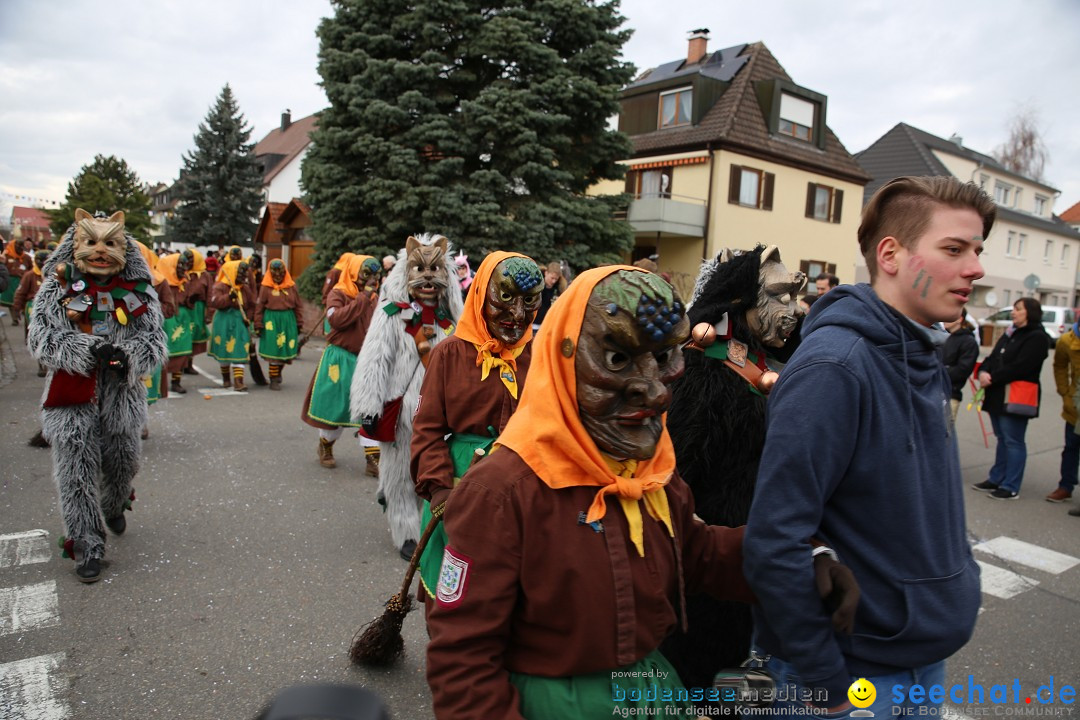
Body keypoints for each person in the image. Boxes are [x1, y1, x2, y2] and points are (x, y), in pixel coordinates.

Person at [424, 266, 856, 719]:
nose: (655, 391)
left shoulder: (650, 475)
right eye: (617, 359)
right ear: (562, 357)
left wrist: (802, 559)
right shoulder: (501, 493)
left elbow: (698, 552)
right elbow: (464, 662)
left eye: (666, 356)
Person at [744, 176, 994, 716]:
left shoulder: (922, 350)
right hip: (853, 679)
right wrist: (826, 685)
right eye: (953, 249)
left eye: (977, 249)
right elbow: (773, 539)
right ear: (891, 255)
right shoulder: (836, 367)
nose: (974, 267)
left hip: (920, 663)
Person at [27, 209, 167, 582]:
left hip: (121, 395)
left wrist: (128, 358)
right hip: (70, 395)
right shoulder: (57, 289)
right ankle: (87, 543)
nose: (100, 251)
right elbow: (41, 340)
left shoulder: (139, 293)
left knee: (123, 461)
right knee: (75, 470)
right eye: (90, 242)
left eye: (110, 243)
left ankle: (115, 498)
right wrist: (87, 350)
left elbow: (153, 342)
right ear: (76, 245)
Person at [410, 251, 542, 602]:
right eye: (506, 298)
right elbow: (427, 428)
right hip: (459, 485)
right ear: (483, 294)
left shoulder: (540, 356)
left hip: (523, 488)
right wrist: (438, 487)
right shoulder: (450, 354)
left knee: (510, 587)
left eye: (529, 301)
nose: (518, 315)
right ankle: (446, 651)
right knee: (453, 585)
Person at [352, 234, 464, 560]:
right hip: (400, 409)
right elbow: (374, 358)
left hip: (439, 413)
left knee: (434, 470)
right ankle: (405, 531)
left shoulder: (451, 321)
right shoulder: (390, 313)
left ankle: (431, 523)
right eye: (420, 270)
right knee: (400, 472)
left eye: (435, 271)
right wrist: (368, 404)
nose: (428, 279)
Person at [301, 254, 380, 470]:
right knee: (334, 407)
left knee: (370, 409)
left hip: (365, 360)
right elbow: (336, 320)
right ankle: (325, 444)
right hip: (340, 357)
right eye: (367, 274)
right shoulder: (338, 293)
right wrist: (363, 298)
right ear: (355, 272)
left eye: (375, 274)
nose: (372, 279)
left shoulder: (375, 298)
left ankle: (372, 457)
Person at [972, 297, 1050, 500]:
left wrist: (993, 377)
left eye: (1018, 309)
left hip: (1016, 395)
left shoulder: (1037, 337)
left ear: (1029, 312)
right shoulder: (1010, 333)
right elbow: (993, 356)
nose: (1013, 313)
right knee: (1002, 438)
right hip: (998, 393)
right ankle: (996, 478)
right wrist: (983, 371)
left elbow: (1022, 366)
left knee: (1013, 440)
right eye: (1014, 309)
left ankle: (1010, 485)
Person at [254, 259, 303, 390]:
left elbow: (298, 305)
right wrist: (258, 324)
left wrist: (299, 322)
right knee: (273, 350)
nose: (277, 275)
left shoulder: (291, 286)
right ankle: (273, 379)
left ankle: (278, 371)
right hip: (271, 321)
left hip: (288, 320)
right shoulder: (265, 287)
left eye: (280, 272)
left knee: (285, 350)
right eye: (274, 272)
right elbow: (259, 306)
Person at [208, 260, 255, 391]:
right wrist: (229, 297)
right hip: (223, 321)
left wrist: (249, 318)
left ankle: (238, 381)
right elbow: (215, 302)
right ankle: (226, 379)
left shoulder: (245, 289)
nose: (243, 276)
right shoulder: (220, 287)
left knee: (240, 348)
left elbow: (251, 305)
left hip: (239, 321)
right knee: (224, 348)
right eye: (240, 273)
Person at [1050, 319, 1080, 505]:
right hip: (1075, 406)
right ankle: (1065, 486)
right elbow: (1059, 365)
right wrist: (1064, 392)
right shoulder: (1066, 340)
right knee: (1071, 447)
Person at [941, 315, 979, 422]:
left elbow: (963, 370)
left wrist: (940, 372)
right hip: (934, 392)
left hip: (951, 394)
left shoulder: (968, 341)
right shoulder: (945, 337)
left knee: (945, 433)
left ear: (960, 319)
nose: (945, 319)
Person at [532, 260, 566, 327]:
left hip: (545, 325)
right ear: (546, 273)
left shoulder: (558, 291)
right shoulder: (534, 285)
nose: (553, 281)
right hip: (531, 323)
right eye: (552, 278)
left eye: (556, 279)